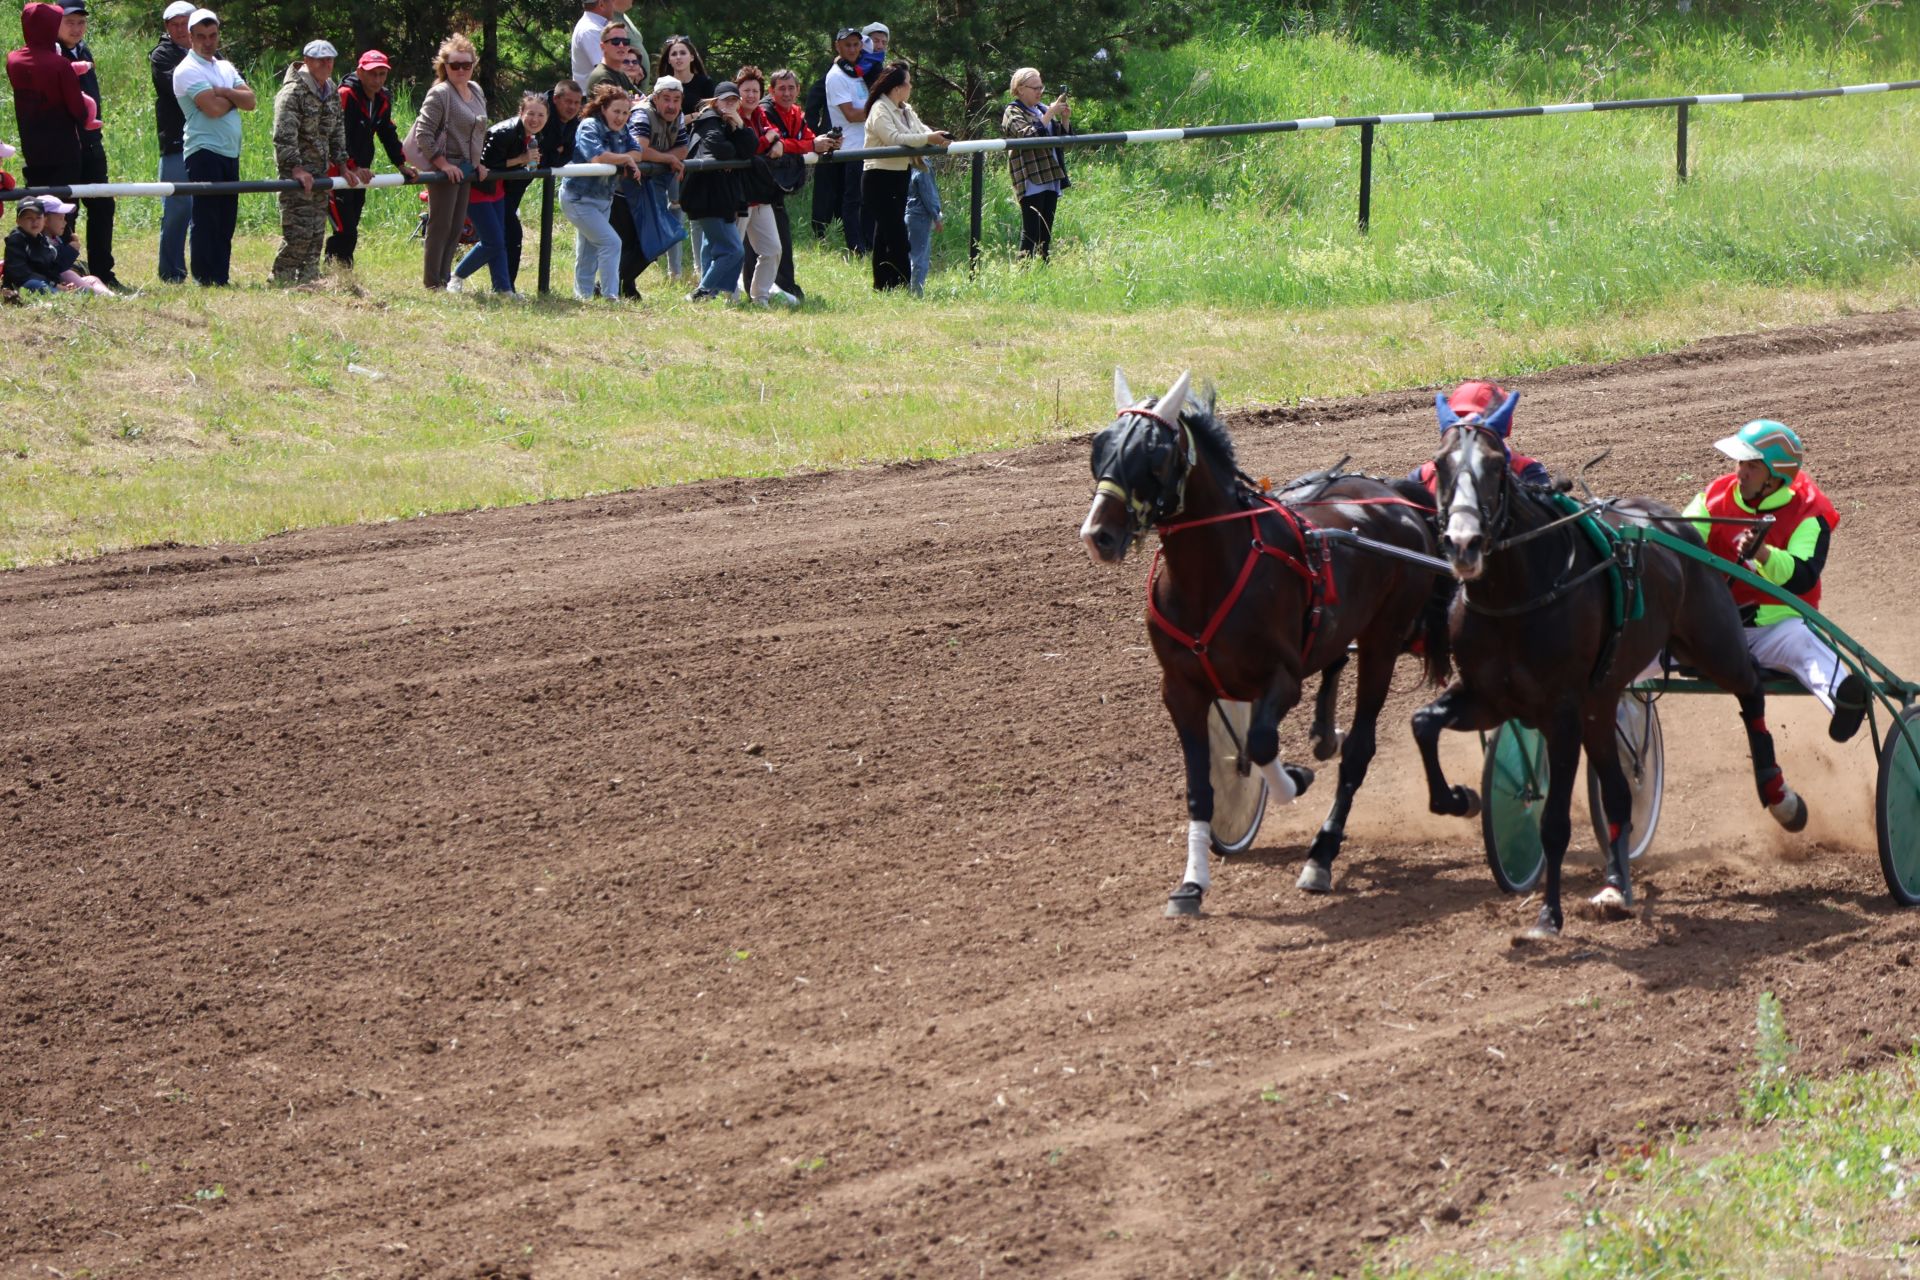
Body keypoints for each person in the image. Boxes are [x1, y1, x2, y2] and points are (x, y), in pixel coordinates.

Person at [1689, 420, 1868, 742]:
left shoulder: (1810, 513)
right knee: (1646, 637)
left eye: (1752, 466)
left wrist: (1765, 556)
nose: (1740, 472)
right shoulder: (1714, 497)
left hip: (1776, 630)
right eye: (1740, 462)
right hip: (1713, 628)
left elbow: (1803, 576)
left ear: (1775, 477)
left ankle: (1843, 697)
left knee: (1802, 642)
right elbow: (1680, 541)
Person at [171, 8, 254, 287]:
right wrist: (232, 97)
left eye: (213, 35)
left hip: (230, 150)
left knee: (226, 217)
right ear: (191, 37)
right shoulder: (186, 70)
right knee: (207, 216)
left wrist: (226, 92)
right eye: (201, 36)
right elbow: (214, 109)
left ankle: (221, 276)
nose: (208, 41)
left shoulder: (224, 67)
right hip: (203, 150)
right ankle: (205, 277)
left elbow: (251, 101)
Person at [270, 39, 362, 285]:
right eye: (320, 60)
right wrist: (295, 168)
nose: (326, 64)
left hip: (320, 175)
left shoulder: (329, 89)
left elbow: (336, 132)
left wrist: (342, 164)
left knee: (316, 235)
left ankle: (309, 282)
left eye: (330, 60)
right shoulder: (293, 92)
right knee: (298, 233)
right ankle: (281, 280)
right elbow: (283, 135)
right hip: (297, 176)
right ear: (307, 60)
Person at [749, 67, 838, 305]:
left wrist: (822, 143)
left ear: (798, 91)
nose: (786, 93)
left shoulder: (796, 113)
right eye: (782, 89)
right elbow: (776, 143)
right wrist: (810, 146)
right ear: (771, 91)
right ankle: (750, 290)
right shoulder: (763, 112)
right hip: (754, 188)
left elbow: (804, 138)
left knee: (776, 243)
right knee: (747, 245)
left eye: (791, 88)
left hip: (772, 191)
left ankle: (775, 288)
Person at [408, 33, 488, 291]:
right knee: (440, 225)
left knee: (456, 227)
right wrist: (442, 164)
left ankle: (444, 278)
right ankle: (433, 283)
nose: (462, 70)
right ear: (445, 67)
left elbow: (478, 130)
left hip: (466, 167)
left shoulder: (475, 90)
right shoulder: (440, 93)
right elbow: (423, 134)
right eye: (455, 65)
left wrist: (478, 162)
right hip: (446, 167)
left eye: (467, 65)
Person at [861, 62, 949, 291]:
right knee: (898, 236)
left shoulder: (906, 109)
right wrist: (929, 139)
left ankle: (882, 286)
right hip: (878, 178)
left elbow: (921, 130)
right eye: (908, 83)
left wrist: (936, 136)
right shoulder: (879, 109)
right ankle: (901, 286)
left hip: (900, 176)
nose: (911, 87)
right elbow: (893, 138)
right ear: (897, 87)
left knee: (884, 235)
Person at [53, 0, 120, 289]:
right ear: (55, 23)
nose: (77, 28)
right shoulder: (53, 54)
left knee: (103, 205)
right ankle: (65, 270)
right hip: (67, 147)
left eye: (81, 22)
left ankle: (103, 271)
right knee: (67, 211)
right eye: (70, 22)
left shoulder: (84, 51)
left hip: (93, 144)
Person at [327, 49, 414, 268]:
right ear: (360, 72)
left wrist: (401, 164)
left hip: (360, 171)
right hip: (336, 171)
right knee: (344, 228)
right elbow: (337, 134)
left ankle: (340, 274)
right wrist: (350, 167)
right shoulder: (346, 95)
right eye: (372, 73)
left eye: (382, 74)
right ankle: (335, 274)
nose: (377, 79)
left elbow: (387, 132)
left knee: (352, 224)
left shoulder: (382, 98)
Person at [453, 92, 546, 295]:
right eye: (531, 113)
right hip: (477, 190)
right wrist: (521, 159)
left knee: (500, 241)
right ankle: (457, 276)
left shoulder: (533, 136)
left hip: (497, 192)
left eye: (541, 115)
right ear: (520, 112)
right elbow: (484, 165)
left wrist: (528, 161)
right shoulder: (505, 132)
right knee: (493, 241)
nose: (535, 119)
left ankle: (503, 289)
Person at [560, 82, 642, 301]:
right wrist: (624, 159)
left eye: (626, 113)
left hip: (603, 199)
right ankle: (610, 296)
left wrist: (628, 157)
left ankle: (583, 296)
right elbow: (596, 157)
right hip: (578, 198)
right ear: (603, 108)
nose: (621, 117)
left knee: (589, 251)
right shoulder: (589, 126)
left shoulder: (623, 129)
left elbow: (638, 152)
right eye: (616, 111)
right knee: (611, 242)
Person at [8, 4, 90, 211]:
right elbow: (77, 108)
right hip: (63, 149)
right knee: (63, 209)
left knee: (36, 206)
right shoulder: (59, 64)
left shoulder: (13, 60)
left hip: (32, 146)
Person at [680, 81, 756, 302]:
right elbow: (721, 149)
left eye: (734, 101)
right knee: (734, 250)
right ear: (715, 101)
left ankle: (711, 294)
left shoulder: (729, 123)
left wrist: (740, 124)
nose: (730, 105)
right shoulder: (709, 120)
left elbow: (750, 148)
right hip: (706, 197)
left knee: (711, 246)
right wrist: (735, 153)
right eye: (726, 100)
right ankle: (702, 292)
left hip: (720, 197)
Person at [504, 78, 581, 288]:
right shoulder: (539, 113)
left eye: (577, 102)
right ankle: (501, 285)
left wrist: (550, 154)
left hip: (522, 177)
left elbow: (564, 156)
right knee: (504, 234)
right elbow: (536, 154)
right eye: (568, 101)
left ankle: (505, 286)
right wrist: (550, 153)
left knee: (506, 234)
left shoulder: (572, 121)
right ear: (556, 99)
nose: (573, 107)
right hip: (504, 178)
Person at [1411, 381, 1551, 491]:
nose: (1470, 426)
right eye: (1463, 418)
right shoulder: (1526, 469)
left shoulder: (1424, 476)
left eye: (1479, 421)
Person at [1001, 66, 1071, 261]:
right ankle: (1022, 273)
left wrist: (1064, 119)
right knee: (1031, 231)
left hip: (1050, 175)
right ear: (1020, 88)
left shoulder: (1041, 109)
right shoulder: (1012, 110)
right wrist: (1050, 113)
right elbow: (1028, 135)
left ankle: (1042, 269)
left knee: (1046, 232)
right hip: (1030, 177)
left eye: (1041, 87)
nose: (1040, 91)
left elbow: (1064, 140)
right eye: (1035, 88)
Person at [626, 73, 689, 282]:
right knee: (636, 238)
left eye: (676, 100)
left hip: (654, 183)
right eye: (666, 99)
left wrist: (663, 158)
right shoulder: (642, 114)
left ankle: (624, 282)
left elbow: (683, 149)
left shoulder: (678, 117)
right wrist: (668, 159)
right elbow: (639, 150)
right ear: (655, 99)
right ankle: (615, 283)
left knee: (660, 237)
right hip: (627, 184)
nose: (671, 106)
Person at [730, 67, 784, 305]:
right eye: (746, 91)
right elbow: (747, 148)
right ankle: (728, 296)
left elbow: (771, 134)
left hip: (760, 196)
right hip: (739, 196)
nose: (751, 95)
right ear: (737, 91)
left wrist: (777, 139)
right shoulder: (732, 115)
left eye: (755, 91)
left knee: (772, 249)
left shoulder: (760, 114)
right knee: (733, 250)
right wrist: (770, 139)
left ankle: (760, 296)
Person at [150, 0, 194, 282]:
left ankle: (207, 270)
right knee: (177, 209)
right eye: (174, 25)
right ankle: (171, 273)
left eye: (185, 24)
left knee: (205, 209)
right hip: (177, 141)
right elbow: (180, 91)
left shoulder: (213, 53)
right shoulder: (162, 55)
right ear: (167, 27)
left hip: (209, 143)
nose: (180, 30)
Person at [822, 27, 870, 254]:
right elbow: (851, 114)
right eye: (847, 45)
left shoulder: (854, 72)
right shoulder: (836, 76)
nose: (852, 49)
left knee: (867, 200)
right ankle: (856, 246)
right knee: (853, 200)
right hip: (851, 148)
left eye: (856, 44)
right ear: (837, 46)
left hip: (866, 145)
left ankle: (868, 242)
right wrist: (880, 111)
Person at [39, 194, 110, 294]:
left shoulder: (56, 238)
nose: (65, 223)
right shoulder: (40, 241)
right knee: (68, 273)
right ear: (45, 221)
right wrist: (71, 250)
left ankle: (111, 296)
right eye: (61, 219)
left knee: (92, 279)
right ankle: (95, 294)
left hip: (62, 280)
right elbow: (56, 267)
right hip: (52, 282)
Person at [570, 0, 642, 87]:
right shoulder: (590, 30)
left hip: (608, 91)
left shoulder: (596, 26)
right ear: (601, 4)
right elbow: (607, 67)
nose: (614, 5)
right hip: (597, 95)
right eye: (612, 1)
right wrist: (633, 68)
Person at [905, 160, 941, 295]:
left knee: (910, 254)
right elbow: (928, 193)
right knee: (920, 255)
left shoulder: (906, 163)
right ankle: (916, 291)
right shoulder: (923, 167)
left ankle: (907, 287)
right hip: (920, 214)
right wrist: (936, 215)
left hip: (908, 212)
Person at [583, 22, 637, 96]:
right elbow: (618, 106)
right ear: (603, 47)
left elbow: (642, 98)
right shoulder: (602, 77)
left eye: (625, 41)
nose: (621, 45)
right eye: (616, 41)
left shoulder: (621, 74)